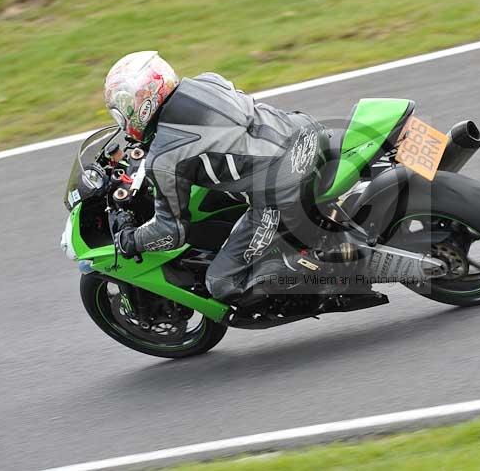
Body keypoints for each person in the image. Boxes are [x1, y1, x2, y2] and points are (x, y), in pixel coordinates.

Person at [105, 51, 326, 302]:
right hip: (307, 132)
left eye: (122, 109)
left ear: (139, 106)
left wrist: (129, 240)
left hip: (284, 188)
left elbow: (171, 232)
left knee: (221, 283)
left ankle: (321, 276)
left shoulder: (165, 159)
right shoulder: (207, 81)